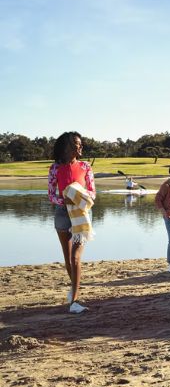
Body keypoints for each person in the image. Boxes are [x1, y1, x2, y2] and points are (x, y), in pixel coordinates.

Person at [47, 132, 95, 314]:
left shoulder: (85, 166)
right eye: (77, 144)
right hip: (62, 214)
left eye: (81, 144)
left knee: (75, 257)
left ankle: (74, 302)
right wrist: (64, 201)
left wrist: (78, 196)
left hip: (81, 215)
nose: (80, 147)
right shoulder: (54, 168)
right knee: (68, 260)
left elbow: (92, 193)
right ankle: (74, 292)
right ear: (67, 146)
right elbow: (51, 195)